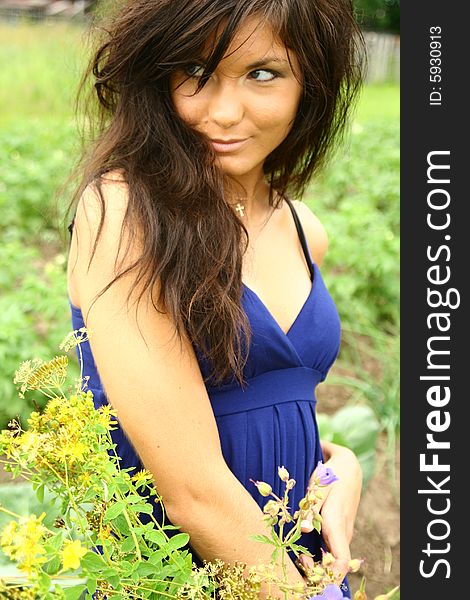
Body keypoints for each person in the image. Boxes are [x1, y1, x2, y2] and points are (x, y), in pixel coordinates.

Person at [66, 0, 364, 597]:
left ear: (312, 81)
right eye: (194, 72)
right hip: (176, 569)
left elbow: (269, 405)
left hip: (296, 563)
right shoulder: (124, 214)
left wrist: (341, 464)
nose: (223, 113)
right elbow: (193, 494)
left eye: (263, 73)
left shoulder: (304, 231)